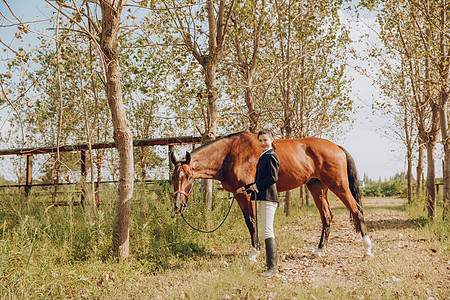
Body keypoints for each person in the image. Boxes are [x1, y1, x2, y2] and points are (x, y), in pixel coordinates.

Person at [237, 129, 280, 277]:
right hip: (263, 197)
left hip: (269, 198)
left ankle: (273, 269)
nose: (262, 143)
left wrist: (255, 186)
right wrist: (247, 188)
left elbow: (272, 178)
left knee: (268, 231)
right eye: (260, 140)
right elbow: (261, 179)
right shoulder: (264, 155)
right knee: (265, 231)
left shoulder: (272, 156)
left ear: (272, 139)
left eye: (265, 140)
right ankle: (270, 267)